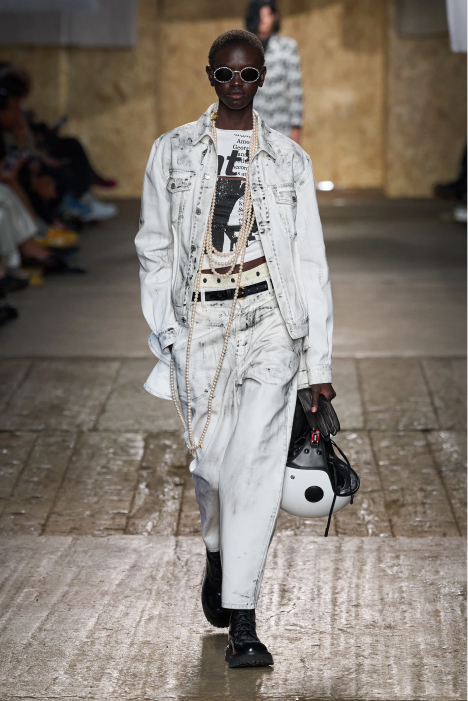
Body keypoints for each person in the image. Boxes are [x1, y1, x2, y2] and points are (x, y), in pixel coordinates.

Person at [135, 29, 334, 668]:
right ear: (210, 76)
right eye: (226, 74)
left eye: (249, 75)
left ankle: (244, 620)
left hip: (271, 320)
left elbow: (310, 263)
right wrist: (167, 332)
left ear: (263, 78)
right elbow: (154, 248)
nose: (237, 85)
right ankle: (218, 552)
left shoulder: (288, 159)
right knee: (214, 467)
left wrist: (318, 363)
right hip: (200, 324)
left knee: (253, 467)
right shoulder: (172, 152)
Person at [246, 0, 303, 144]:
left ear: (275, 17)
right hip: (251, 126)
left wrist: (296, 126)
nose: (263, 19)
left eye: (267, 14)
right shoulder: (245, 49)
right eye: (259, 14)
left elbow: (296, 90)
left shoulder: (287, 47)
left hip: (281, 125)